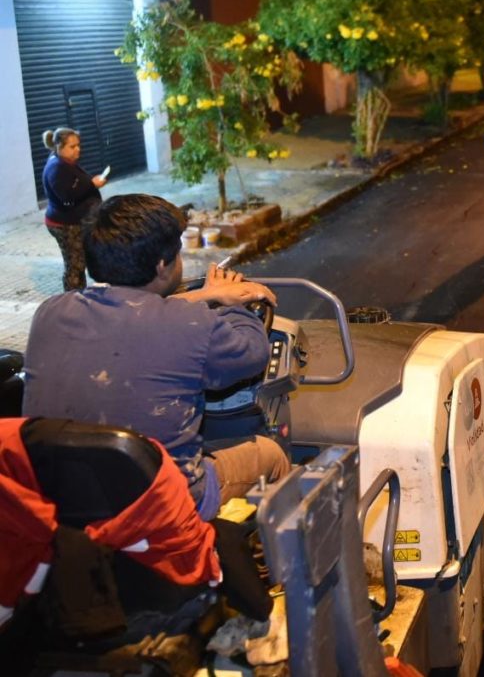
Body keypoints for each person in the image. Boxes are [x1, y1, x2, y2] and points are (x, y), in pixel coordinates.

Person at [22, 194, 289, 521]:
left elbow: (132, 307)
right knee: (272, 454)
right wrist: (238, 304)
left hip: (63, 497)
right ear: (162, 265)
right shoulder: (193, 326)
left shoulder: (50, 312)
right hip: (163, 504)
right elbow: (254, 352)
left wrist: (207, 294)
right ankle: (270, 561)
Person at [40, 128, 107, 291]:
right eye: (72, 146)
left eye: (78, 145)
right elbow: (67, 197)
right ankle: (73, 301)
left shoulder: (65, 163)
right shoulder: (57, 167)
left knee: (81, 259)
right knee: (75, 264)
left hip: (74, 220)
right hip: (64, 223)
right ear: (58, 146)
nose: (78, 149)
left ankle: (80, 295)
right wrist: (92, 184)